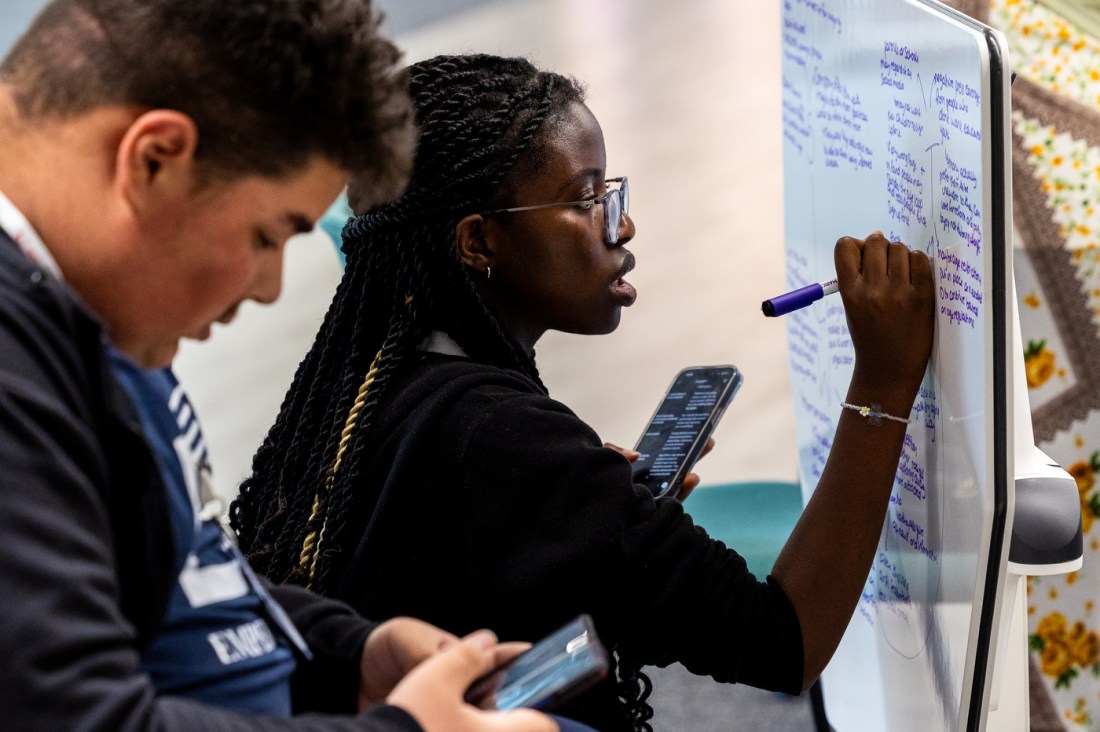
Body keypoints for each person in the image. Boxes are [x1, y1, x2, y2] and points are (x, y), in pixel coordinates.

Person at [232, 53, 935, 731]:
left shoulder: (377, 388)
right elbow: (786, 641)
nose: (621, 224)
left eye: (612, 192)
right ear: (478, 242)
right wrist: (882, 382)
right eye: (586, 199)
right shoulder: (512, 444)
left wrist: (599, 522)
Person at [0, 3, 557, 730]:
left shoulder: (97, 308)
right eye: (268, 236)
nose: (265, 288)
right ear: (153, 159)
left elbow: (187, 576)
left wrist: (347, 654)